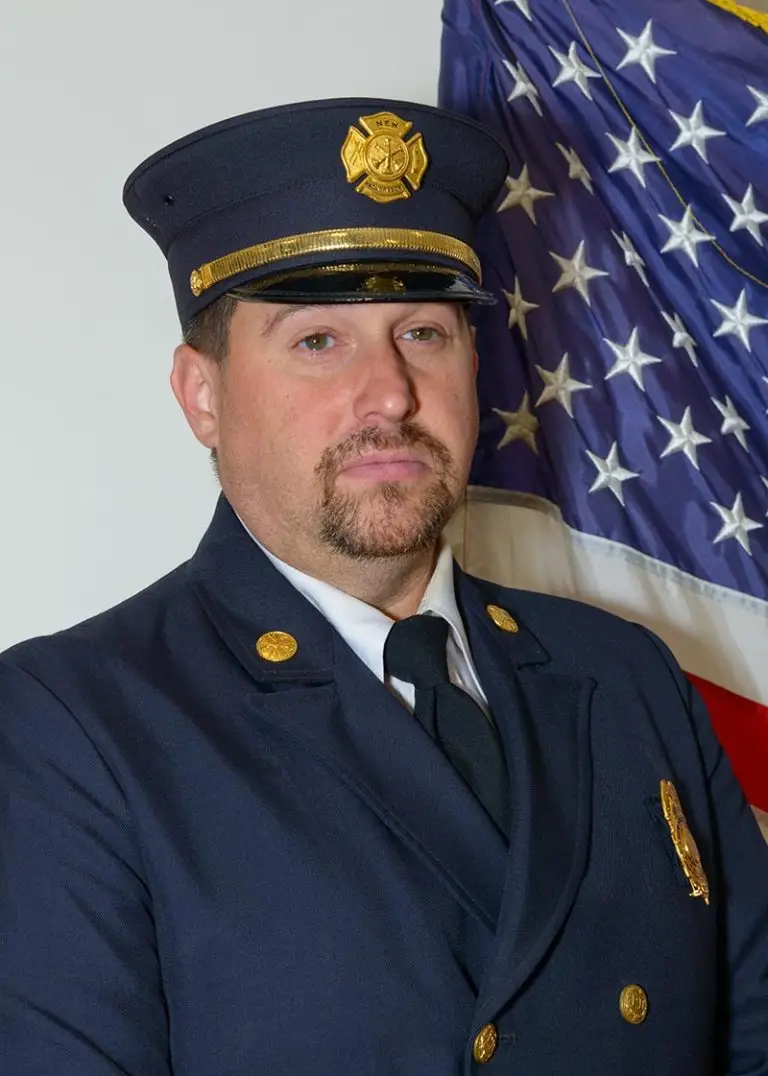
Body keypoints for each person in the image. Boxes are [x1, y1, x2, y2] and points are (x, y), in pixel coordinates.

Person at [1, 98, 766, 1076]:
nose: (391, 392)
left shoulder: (624, 675)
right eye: (319, 341)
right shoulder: (75, 726)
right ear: (203, 393)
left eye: (423, 332)